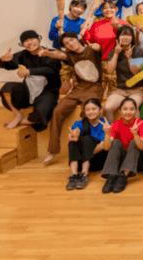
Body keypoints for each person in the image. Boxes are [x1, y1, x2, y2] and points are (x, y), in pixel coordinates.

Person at [39, 32, 103, 164]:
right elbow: (59, 55)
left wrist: (96, 46)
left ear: (77, 39)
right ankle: (53, 150)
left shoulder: (91, 49)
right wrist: (48, 53)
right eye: (67, 43)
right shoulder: (70, 54)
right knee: (57, 111)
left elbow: (98, 48)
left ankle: (86, 149)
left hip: (95, 87)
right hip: (79, 88)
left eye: (72, 40)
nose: (70, 44)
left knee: (87, 112)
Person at [0, 30, 61, 130]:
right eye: (26, 41)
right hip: (28, 91)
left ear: (39, 39)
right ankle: (17, 114)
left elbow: (52, 70)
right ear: (22, 44)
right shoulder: (23, 54)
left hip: (47, 92)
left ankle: (24, 120)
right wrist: (4, 60)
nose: (29, 43)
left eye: (32, 39)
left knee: (42, 113)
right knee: (7, 88)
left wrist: (29, 71)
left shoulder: (50, 52)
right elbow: (9, 65)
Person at [100, 98, 143, 194]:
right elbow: (106, 148)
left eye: (132, 109)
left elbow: (141, 147)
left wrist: (135, 134)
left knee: (134, 142)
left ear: (135, 111)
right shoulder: (115, 124)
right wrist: (107, 133)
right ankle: (111, 176)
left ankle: (123, 177)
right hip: (122, 161)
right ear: (120, 110)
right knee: (115, 142)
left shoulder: (141, 124)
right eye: (125, 109)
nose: (128, 112)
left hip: (139, 161)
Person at [82, 0, 129, 95]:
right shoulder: (96, 24)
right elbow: (88, 41)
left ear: (116, 9)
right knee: (99, 92)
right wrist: (84, 30)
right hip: (100, 62)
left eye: (111, 7)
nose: (108, 10)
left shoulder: (123, 23)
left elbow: (129, 41)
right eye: (105, 8)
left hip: (118, 63)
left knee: (116, 93)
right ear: (102, 10)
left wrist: (119, 28)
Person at [104, 25, 143, 122]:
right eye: (123, 35)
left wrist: (129, 58)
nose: (125, 38)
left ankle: (136, 131)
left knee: (133, 107)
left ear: (132, 38)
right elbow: (110, 70)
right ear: (118, 37)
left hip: (138, 90)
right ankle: (110, 130)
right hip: (120, 90)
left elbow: (136, 73)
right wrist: (116, 53)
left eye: (128, 35)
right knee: (107, 108)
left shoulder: (139, 51)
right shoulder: (113, 52)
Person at [65, 98, 109, 190]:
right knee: (73, 141)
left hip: (97, 160)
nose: (91, 112)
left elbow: (103, 146)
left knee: (87, 139)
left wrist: (85, 152)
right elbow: (76, 131)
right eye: (87, 110)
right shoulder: (79, 123)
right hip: (80, 162)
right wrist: (75, 135)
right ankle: (74, 175)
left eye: (94, 109)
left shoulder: (105, 125)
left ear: (100, 110)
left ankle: (84, 175)